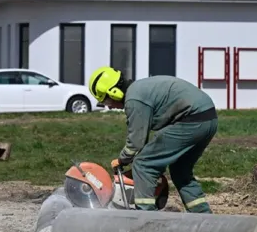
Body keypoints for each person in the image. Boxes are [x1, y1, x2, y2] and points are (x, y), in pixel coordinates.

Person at [87, 67, 218, 213]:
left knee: (143, 164)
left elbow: (136, 143)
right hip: (208, 118)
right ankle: (203, 216)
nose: (109, 107)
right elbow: (144, 140)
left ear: (114, 93)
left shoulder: (134, 99)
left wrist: (122, 160)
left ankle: (146, 216)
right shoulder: (139, 90)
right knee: (180, 171)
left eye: (106, 101)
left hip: (192, 120)